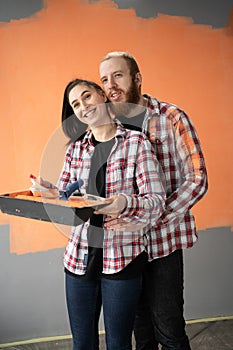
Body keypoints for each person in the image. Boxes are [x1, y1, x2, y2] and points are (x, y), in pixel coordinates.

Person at [99, 52, 208, 350]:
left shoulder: (171, 117)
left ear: (137, 78)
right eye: (104, 79)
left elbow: (198, 178)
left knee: (169, 330)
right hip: (124, 248)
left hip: (163, 243)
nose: (111, 85)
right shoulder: (106, 126)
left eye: (118, 76)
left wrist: (151, 218)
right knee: (141, 334)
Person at [56, 78, 166, 350]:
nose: (83, 106)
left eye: (87, 97)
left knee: (118, 344)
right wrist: (50, 191)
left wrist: (124, 203)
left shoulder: (136, 144)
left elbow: (156, 201)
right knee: (82, 344)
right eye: (76, 104)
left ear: (103, 96)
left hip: (123, 259)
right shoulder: (75, 149)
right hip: (79, 260)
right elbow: (65, 195)